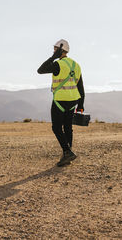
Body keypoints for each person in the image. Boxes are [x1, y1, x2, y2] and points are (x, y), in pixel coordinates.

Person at [37, 39, 85, 167]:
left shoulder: (58, 64)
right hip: (73, 100)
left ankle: (67, 152)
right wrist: (81, 105)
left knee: (56, 128)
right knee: (68, 127)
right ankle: (67, 155)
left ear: (60, 50)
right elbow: (80, 86)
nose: (53, 51)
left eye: (55, 49)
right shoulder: (76, 65)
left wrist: (53, 57)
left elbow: (40, 70)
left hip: (60, 100)